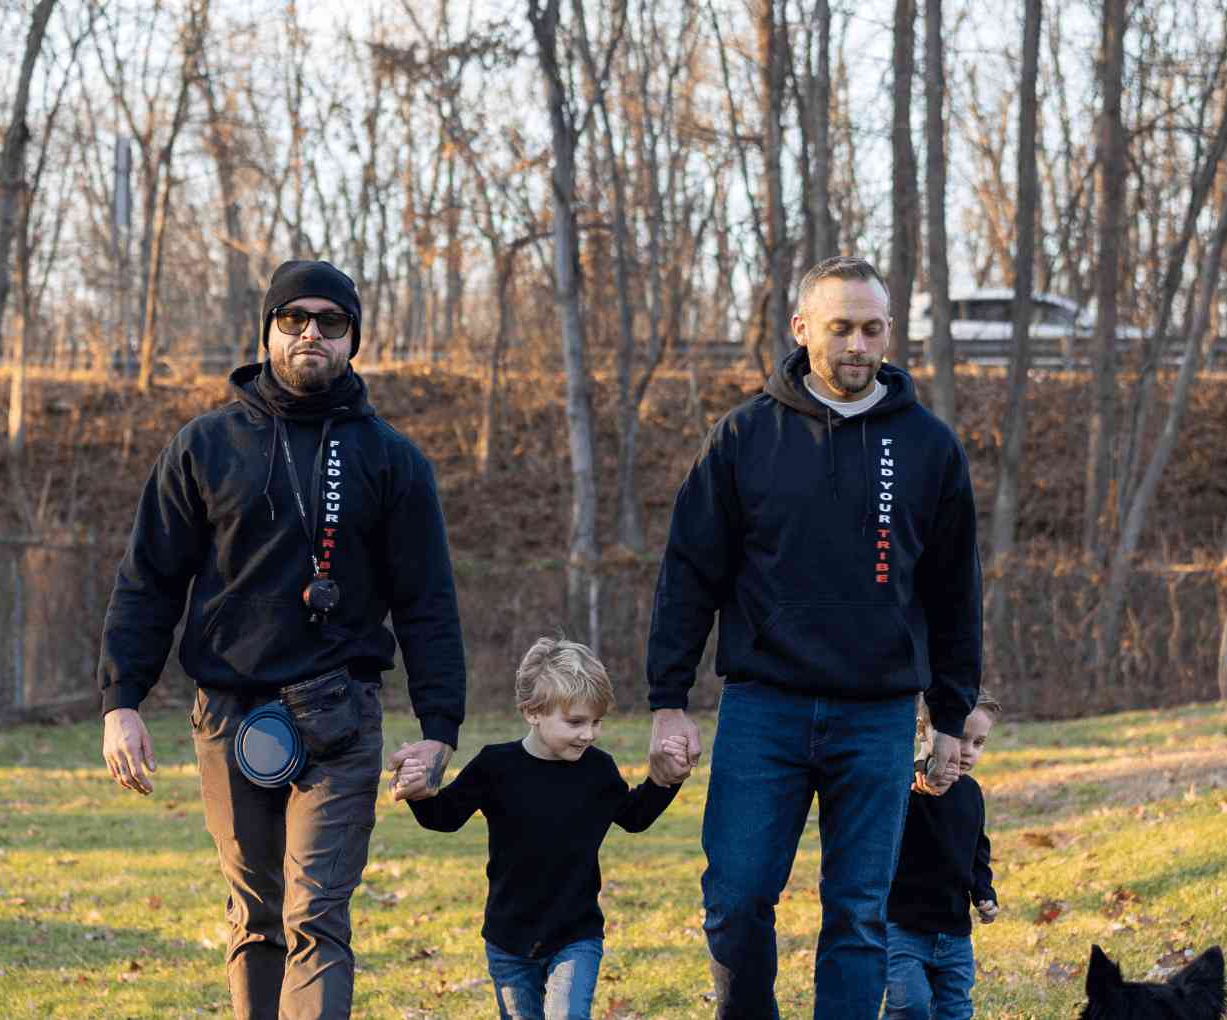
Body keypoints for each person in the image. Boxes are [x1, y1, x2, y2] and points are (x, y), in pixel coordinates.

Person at [96, 258, 467, 1020]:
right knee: (256, 918)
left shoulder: (391, 460)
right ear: (266, 329)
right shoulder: (203, 446)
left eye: (331, 322)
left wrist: (440, 729)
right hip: (228, 714)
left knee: (317, 915)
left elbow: (427, 602)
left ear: (353, 340)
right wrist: (120, 700)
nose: (310, 334)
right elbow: (149, 579)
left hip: (342, 716)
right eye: (293, 319)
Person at [644, 254, 983, 1018]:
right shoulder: (742, 438)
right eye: (841, 328)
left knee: (859, 917)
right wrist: (669, 697)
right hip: (766, 708)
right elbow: (688, 573)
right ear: (802, 329)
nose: (857, 345)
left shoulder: (930, 447)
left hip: (880, 715)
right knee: (733, 901)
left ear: (890, 333)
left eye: (872, 329)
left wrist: (953, 716)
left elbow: (956, 593)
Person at [393, 637, 691, 1020]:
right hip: (508, 942)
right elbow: (444, 817)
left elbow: (634, 817)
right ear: (532, 712)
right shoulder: (494, 766)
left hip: (576, 936)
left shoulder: (598, 770)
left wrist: (665, 780)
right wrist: (418, 792)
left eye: (596, 721)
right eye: (576, 722)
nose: (589, 734)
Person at [883, 694, 1002, 1020]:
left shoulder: (971, 793)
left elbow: (977, 851)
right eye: (960, 737)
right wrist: (918, 773)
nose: (967, 750)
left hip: (954, 932)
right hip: (904, 926)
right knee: (910, 1005)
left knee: (955, 1010)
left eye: (978, 742)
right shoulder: (905, 785)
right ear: (923, 730)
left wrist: (984, 893)